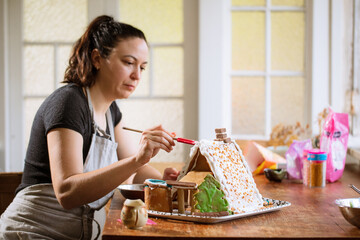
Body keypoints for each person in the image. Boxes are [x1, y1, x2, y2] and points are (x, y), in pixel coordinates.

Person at [0, 15, 180, 239]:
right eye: (128, 62)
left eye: (142, 67)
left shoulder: (112, 112)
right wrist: (137, 159)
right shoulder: (69, 103)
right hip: (32, 232)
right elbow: (67, 192)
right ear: (97, 59)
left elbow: (135, 173)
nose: (137, 75)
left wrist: (166, 183)